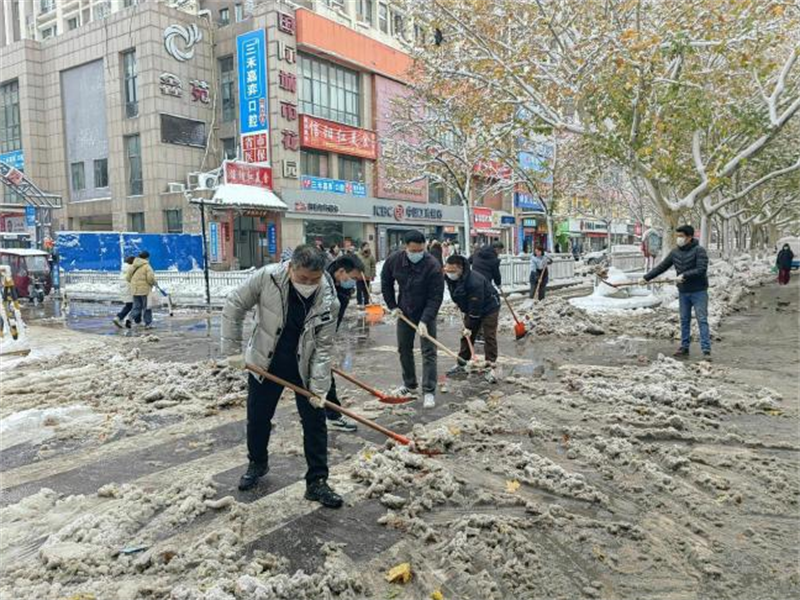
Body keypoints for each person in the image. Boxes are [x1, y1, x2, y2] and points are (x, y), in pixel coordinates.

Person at [221, 245, 343, 507]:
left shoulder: (329, 300)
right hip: (266, 362)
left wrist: (319, 388)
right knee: (258, 417)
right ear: (290, 268)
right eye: (303, 278)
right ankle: (257, 463)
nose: (308, 284)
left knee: (315, 422)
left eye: (314, 279)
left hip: (304, 366)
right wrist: (232, 351)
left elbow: (323, 348)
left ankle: (317, 481)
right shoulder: (267, 278)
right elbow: (234, 303)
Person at [381, 229, 444, 408]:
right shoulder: (394, 261)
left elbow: (436, 297)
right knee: (404, 348)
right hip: (404, 311)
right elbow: (386, 282)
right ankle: (409, 384)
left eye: (420, 250)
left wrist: (425, 320)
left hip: (426, 312)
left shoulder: (432, 265)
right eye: (413, 250)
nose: (417, 253)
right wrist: (392, 306)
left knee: (428, 351)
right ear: (405, 247)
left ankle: (429, 391)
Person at [640, 225, 710, 358]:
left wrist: (684, 275)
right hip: (683, 291)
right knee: (684, 320)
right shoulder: (675, 252)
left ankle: (706, 350)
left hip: (699, 291)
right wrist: (646, 278)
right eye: (677, 236)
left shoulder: (699, 251)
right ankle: (684, 348)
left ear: (689, 237)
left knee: (702, 319)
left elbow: (701, 269)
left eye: (681, 236)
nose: (679, 239)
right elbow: (662, 267)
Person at [443, 255, 501, 383]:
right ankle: (462, 363)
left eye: (452, 271)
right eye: (447, 270)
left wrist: (469, 326)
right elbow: (457, 292)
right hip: (471, 306)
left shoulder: (474, 282)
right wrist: (459, 302)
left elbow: (475, 308)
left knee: (488, 335)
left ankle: (490, 365)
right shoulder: (450, 277)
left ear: (460, 269)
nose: (449, 274)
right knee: (466, 336)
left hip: (489, 307)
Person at [324, 254, 365, 432]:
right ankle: (329, 416)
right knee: (321, 376)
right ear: (341, 271)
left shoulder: (342, 290)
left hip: (322, 338)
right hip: (305, 338)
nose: (353, 282)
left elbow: (335, 320)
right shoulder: (320, 283)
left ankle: (330, 416)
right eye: (353, 277)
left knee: (323, 376)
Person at [127, 251, 156, 328]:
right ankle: (148, 324)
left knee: (136, 307)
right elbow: (150, 278)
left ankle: (129, 319)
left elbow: (128, 277)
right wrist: (153, 283)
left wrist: (134, 284)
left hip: (135, 290)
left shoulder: (133, 265)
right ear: (147, 257)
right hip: (145, 290)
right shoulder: (147, 266)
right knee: (147, 307)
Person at [113, 256, 135, 328]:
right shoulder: (131, 269)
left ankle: (119, 318)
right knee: (134, 306)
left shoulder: (123, 270)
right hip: (130, 291)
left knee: (129, 306)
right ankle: (121, 318)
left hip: (124, 291)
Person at [356, 241, 376, 307]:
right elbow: (354, 263)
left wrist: (373, 275)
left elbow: (373, 266)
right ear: (362, 247)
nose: (367, 247)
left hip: (367, 275)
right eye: (366, 246)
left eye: (368, 246)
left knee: (366, 290)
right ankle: (359, 303)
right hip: (359, 276)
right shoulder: (358, 255)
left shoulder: (370, 256)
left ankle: (366, 302)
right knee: (359, 290)